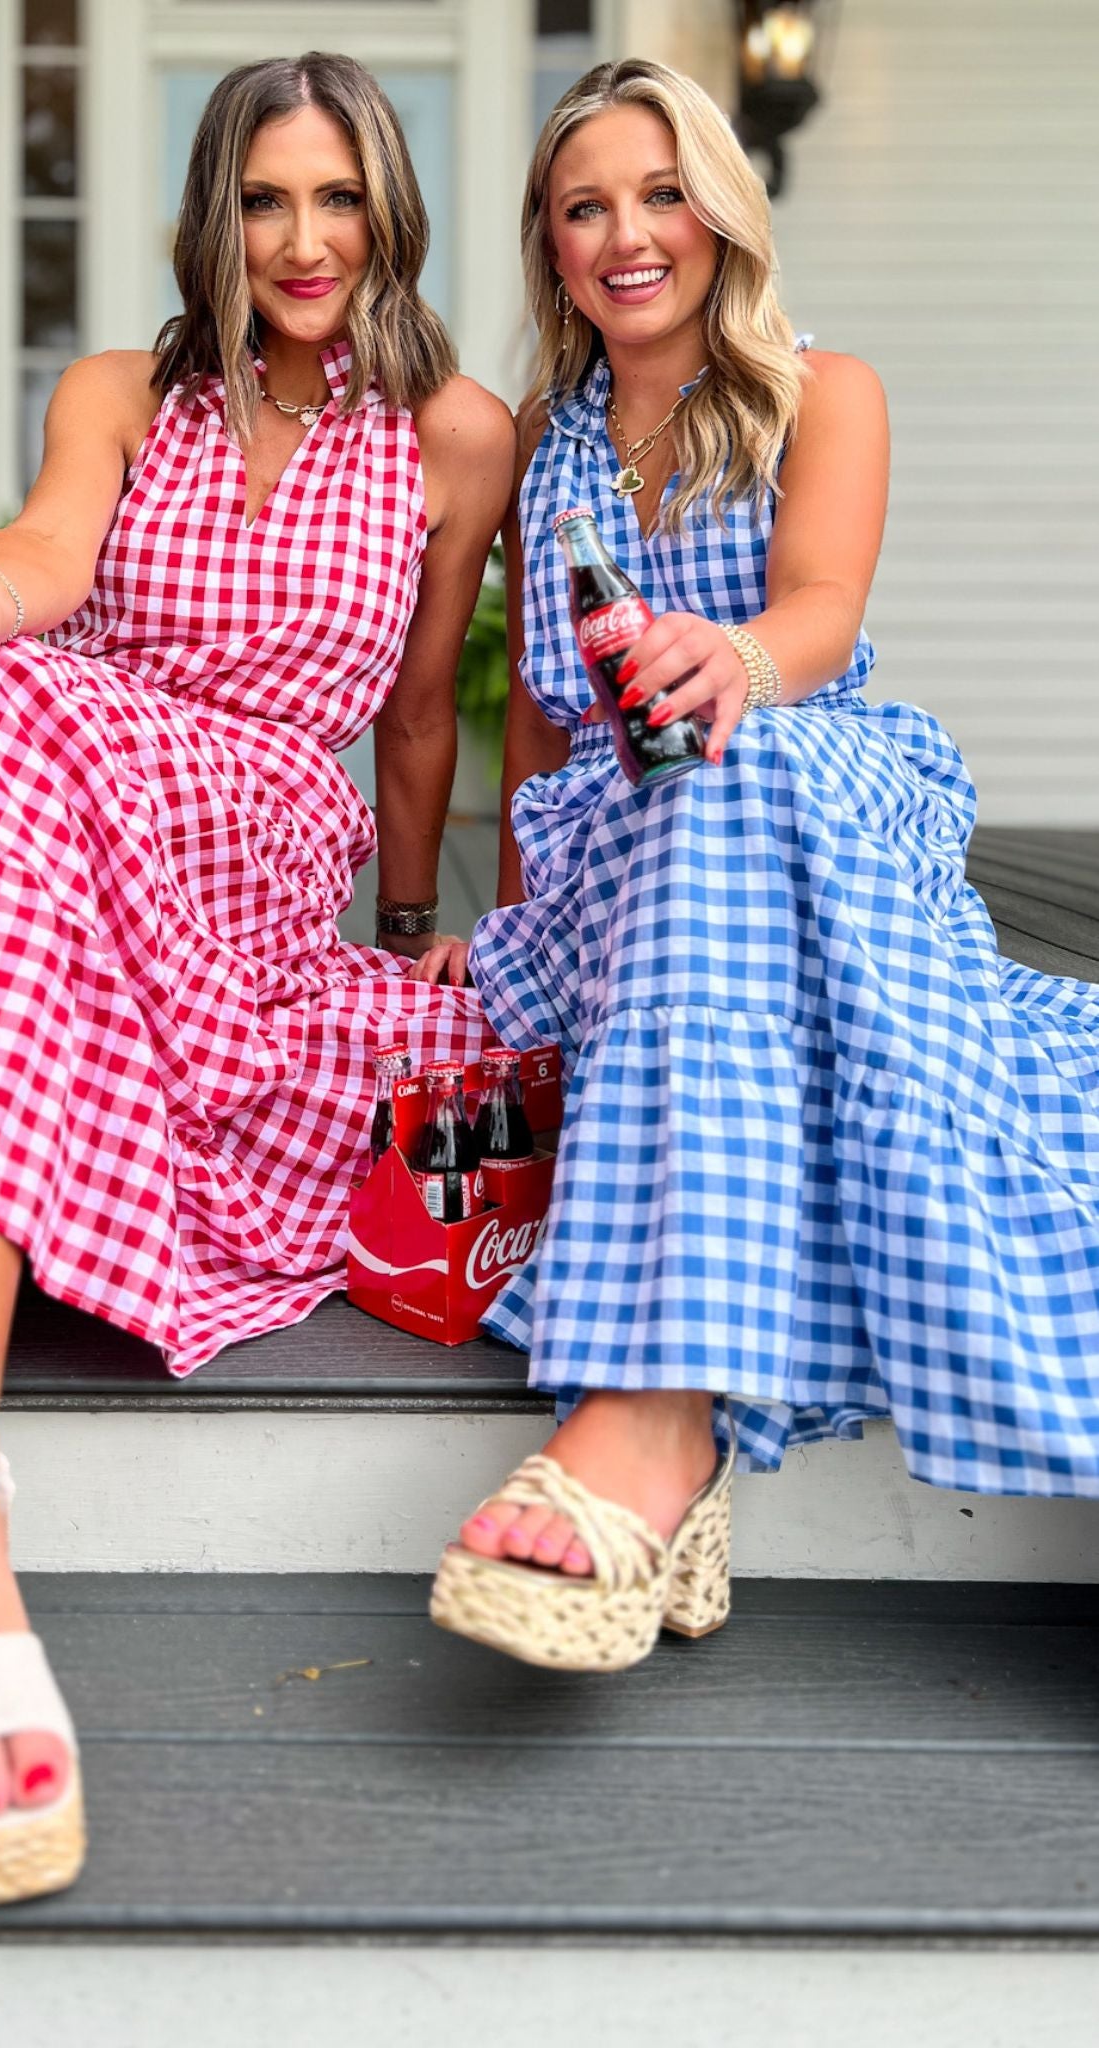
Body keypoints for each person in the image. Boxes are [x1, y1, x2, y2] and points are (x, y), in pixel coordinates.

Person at [0, 52, 512, 1908]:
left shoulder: (457, 432)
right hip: (69, 795)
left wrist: (404, 934)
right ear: (213, 214)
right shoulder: (119, 393)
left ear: (387, 210)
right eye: (265, 199)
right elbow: (40, 559)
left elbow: (414, 715)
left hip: (251, 841)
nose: (303, 239)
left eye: (337, 199)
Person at [430, 58, 1099, 1673]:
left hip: (812, 765)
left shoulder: (824, 389)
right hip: (622, 836)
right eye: (586, 206)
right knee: (669, 787)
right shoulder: (543, 444)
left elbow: (818, 610)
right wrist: (509, 918)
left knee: (721, 762)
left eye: (662, 193)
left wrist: (725, 661)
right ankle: (678, 1443)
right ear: (552, 245)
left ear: (723, 216)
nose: (627, 233)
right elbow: (534, 715)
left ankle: (654, 1412)